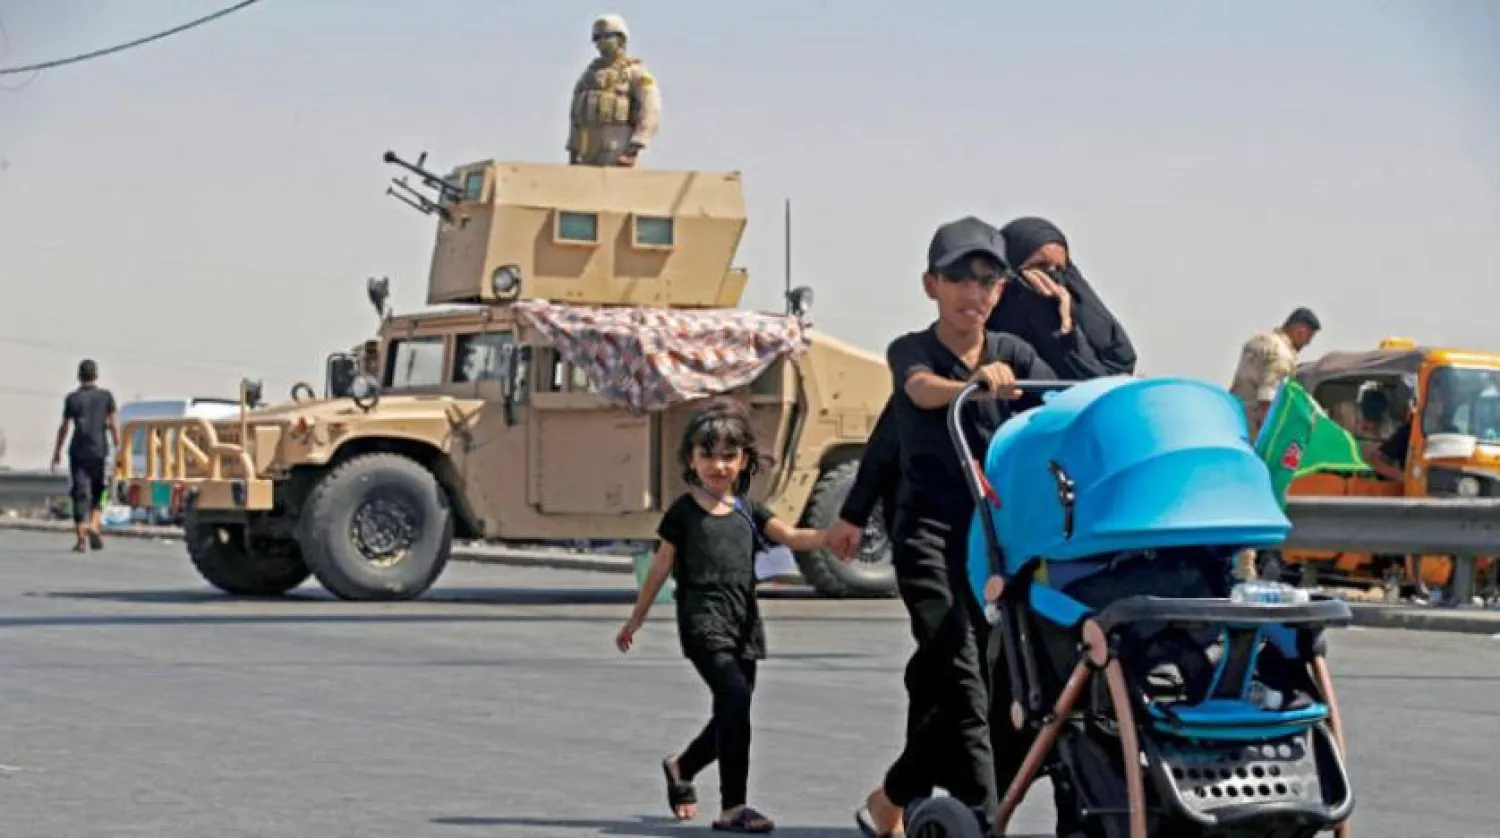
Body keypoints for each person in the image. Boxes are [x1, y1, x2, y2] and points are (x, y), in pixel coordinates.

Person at [851, 217, 1057, 838]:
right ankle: (983, 822)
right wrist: (972, 384)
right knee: (963, 680)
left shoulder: (1016, 355)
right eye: (959, 279)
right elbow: (918, 394)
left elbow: (1064, 402)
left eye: (988, 280)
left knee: (987, 684)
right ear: (930, 284)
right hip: (931, 541)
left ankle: (893, 799)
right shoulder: (910, 352)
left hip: (997, 544)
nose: (974, 293)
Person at [616, 397, 826, 835]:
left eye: (729, 456)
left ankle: (683, 767)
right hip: (702, 621)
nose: (719, 465)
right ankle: (734, 807)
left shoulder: (748, 510)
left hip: (743, 621)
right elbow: (660, 567)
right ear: (690, 459)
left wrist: (834, 536)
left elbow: (791, 536)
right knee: (734, 698)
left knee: (735, 708)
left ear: (745, 458)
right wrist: (636, 619)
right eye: (708, 455)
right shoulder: (684, 513)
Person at [987, 216, 1138, 379]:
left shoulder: (1077, 317)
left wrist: (1065, 330)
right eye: (1039, 266)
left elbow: (1100, 378)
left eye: (1059, 268)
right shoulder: (982, 333)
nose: (1052, 276)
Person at [567, 14, 661, 168]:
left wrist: (635, 147)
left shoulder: (635, 73)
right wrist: (573, 149)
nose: (601, 42)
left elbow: (650, 109)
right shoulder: (588, 76)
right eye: (597, 38)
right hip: (588, 150)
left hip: (618, 146)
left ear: (621, 39)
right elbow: (576, 115)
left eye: (607, 36)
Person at [50, 359, 119, 553]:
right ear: (96, 376)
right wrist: (119, 447)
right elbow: (113, 424)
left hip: (78, 453)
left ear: (79, 376)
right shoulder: (106, 397)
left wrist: (57, 451)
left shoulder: (72, 399)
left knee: (80, 494)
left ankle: (81, 540)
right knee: (100, 491)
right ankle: (95, 525)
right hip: (100, 451)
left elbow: (64, 428)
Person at [1230, 307, 1322, 441]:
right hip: (1253, 430)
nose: (1308, 343)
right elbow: (1267, 400)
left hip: (1234, 419)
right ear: (1300, 331)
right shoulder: (1282, 355)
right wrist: (1269, 437)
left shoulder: (1258, 341)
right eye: (1309, 337)